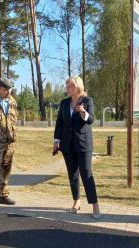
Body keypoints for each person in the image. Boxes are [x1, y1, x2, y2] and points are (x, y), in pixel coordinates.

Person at [53, 76, 100, 219]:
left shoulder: (87, 101)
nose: (68, 89)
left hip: (83, 144)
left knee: (86, 174)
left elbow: (91, 120)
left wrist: (83, 112)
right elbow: (59, 123)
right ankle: (76, 201)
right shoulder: (64, 102)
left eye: (71, 86)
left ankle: (95, 205)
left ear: (78, 86)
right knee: (72, 175)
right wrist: (56, 141)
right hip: (67, 144)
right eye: (67, 86)